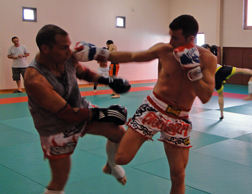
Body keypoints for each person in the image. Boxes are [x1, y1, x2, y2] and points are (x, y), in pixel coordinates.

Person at [74, 14, 217, 194]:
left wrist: (193, 70)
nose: (170, 41)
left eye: (175, 37)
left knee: (178, 174)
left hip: (180, 118)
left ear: (191, 38)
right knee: (122, 157)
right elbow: (133, 56)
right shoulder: (164, 50)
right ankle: (111, 164)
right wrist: (100, 53)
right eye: (170, 35)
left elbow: (205, 96)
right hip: (154, 107)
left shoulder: (208, 59)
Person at [24, 24, 131, 194]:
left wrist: (108, 81)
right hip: (55, 128)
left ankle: (111, 165)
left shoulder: (66, 58)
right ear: (45, 49)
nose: (69, 51)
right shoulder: (35, 79)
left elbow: (83, 73)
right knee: (60, 179)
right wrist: (103, 113)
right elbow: (66, 114)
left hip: (79, 108)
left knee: (119, 132)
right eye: (64, 47)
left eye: (69, 45)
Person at [202, 44, 252, 119]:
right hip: (220, 70)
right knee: (239, 70)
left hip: (215, 76)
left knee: (221, 94)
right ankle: (221, 114)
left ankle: (222, 114)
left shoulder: (202, 58)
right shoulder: (208, 56)